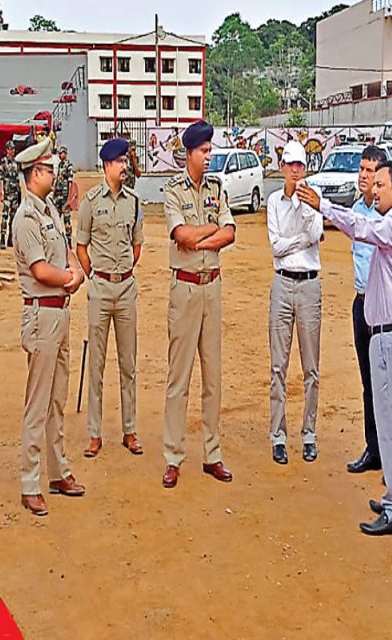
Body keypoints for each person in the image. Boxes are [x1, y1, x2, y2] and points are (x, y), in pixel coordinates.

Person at [296, 161, 392, 536]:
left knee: (391, 423)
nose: (374, 190)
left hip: (391, 336)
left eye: (380, 184)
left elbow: (361, 228)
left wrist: (324, 206)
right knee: (390, 421)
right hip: (389, 335)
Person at [12, 138, 87, 517]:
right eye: (48, 169)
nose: (55, 175)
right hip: (42, 313)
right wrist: (72, 278)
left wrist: (75, 271)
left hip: (59, 311)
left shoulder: (49, 210)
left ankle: (58, 472)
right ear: (34, 173)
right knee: (38, 402)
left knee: (58, 398)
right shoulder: (25, 218)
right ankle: (30, 483)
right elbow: (41, 270)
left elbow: (66, 252)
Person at [161, 120, 237, 489]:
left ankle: (212, 454)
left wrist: (200, 238)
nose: (209, 156)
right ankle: (173, 456)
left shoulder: (217, 188)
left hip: (212, 288)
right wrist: (208, 232)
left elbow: (229, 233)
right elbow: (182, 235)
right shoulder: (172, 191)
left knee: (213, 376)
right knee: (179, 378)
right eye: (204, 151)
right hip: (186, 289)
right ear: (189, 153)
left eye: (210, 150)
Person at [76, 138, 145, 459]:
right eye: (119, 162)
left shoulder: (134, 202)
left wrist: (123, 272)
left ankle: (130, 431)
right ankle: (95, 434)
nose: (124, 166)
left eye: (125, 161)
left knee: (128, 364)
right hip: (101, 289)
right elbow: (81, 247)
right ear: (106, 165)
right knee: (97, 365)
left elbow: (137, 245)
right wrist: (96, 275)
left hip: (126, 288)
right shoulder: (90, 202)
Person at [266, 140, 323, 465]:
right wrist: (302, 240)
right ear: (282, 167)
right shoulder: (274, 201)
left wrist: (304, 205)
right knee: (278, 365)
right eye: (290, 165)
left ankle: (309, 433)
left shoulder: (314, 198)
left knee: (310, 366)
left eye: (299, 165)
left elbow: (316, 233)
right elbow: (276, 247)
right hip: (283, 282)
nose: (295, 170)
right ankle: (278, 435)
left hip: (309, 284)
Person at [346, 146, 387, 475]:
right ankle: (373, 449)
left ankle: (390, 455)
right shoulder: (356, 209)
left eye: (370, 170)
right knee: (368, 381)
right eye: (361, 169)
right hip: (361, 302)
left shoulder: (389, 216)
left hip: (383, 308)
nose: (363, 175)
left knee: (386, 383)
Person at [0, 140, 22, 249]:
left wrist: (19, 192)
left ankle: (10, 238)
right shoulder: (4, 162)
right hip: (7, 194)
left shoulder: (16, 162)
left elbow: (17, 178)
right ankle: (2, 238)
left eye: (13, 149)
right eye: (10, 149)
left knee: (13, 217)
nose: (12, 151)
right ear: (7, 150)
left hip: (15, 194)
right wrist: (1, 193)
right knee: (5, 216)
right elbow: (0, 178)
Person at [53, 146, 75, 244]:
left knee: (66, 218)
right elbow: (58, 179)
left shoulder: (68, 165)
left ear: (65, 154)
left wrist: (69, 197)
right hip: (58, 195)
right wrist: (54, 193)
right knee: (56, 217)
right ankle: (57, 238)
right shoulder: (60, 165)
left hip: (65, 196)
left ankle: (69, 239)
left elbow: (70, 181)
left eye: (61, 153)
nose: (59, 155)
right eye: (59, 153)